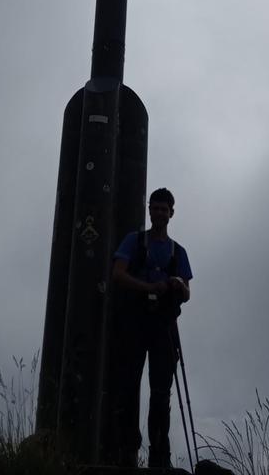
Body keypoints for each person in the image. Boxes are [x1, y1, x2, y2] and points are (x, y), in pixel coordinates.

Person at [110, 188, 193, 470]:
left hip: (163, 325)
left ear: (171, 212)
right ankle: (128, 452)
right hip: (135, 322)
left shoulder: (177, 251)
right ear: (149, 210)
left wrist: (176, 285)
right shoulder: (135, 241)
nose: (159, 213)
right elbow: (117, 274)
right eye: (155, 208)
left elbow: (187, 292)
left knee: (160, 393)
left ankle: (159, 455)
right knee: (129, 387)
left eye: (163, 209)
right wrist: (150, 287)